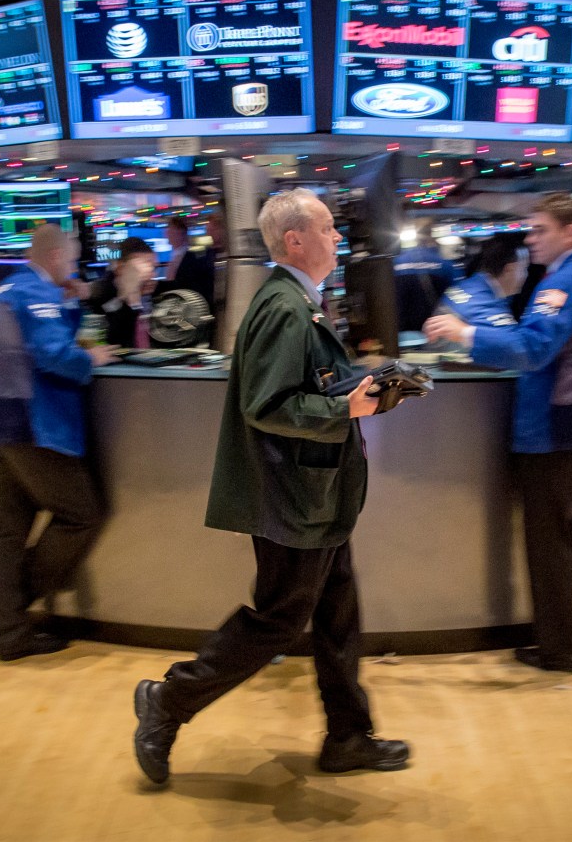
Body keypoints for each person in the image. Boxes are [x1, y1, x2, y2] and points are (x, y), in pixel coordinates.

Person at [133, 188, 407, 785]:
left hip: (317, 493)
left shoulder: (298, 301)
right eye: (329, 228)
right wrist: (348, 408)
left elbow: (310, 383)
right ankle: (168, 700)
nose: (338, 237)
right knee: (279, 620)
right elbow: (268, 404)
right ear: (295, 239)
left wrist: (365, 385)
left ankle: (348, 737)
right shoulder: (285, 307)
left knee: (337, 613)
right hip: (294, 495)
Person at [424, 193, 572, 674]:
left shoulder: (559, 285)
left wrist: (463, 334)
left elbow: (531, 350)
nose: (531, 239)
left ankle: (561, 650)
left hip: (558, 431)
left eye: (541, 230)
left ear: (571, 232)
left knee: (550, 542)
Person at [0, 224, 116, 661]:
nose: (72, 269)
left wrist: (69, 302)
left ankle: (10, 631)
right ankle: (18, 600)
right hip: (34, 425)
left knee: (9, 530)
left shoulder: (3, 292)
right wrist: (90, 358)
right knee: (82, 514)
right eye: (71, 260)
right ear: (55, 256)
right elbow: (55, 355)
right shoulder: (35, 294)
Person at [439, 236, 528, 330]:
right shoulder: (491, 310)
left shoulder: (468, 284)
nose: (526, 275)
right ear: (509, 269)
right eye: (524, 268)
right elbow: (515, 339)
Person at [93, 237, 158, 349]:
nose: (151, 275)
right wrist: (130, 296)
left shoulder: (157, 294)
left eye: (153, 268)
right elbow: (113, 338)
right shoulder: (103, 293)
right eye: (139, 269)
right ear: (121, 268)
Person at [394, 218, 456, 332]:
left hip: (401, 330)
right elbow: (455, 297)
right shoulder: (444, 265)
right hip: (434, 329)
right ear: (431, 233)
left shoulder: (397, 262)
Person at [154, 214, 215, 308]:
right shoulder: (174, 256)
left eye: (170, 230)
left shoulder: (193, 258)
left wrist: (155, 286)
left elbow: (183, 285)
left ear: (181, 233)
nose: (167, 234)